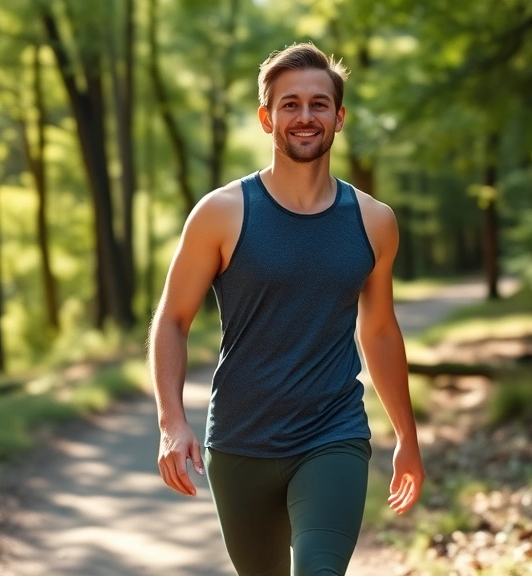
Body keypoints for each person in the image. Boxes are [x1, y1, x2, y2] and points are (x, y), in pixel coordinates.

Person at [150, 41, 425, 576]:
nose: (305, 116)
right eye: (290, 104)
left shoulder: (374, 221)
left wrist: (408, 441)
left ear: (339, 118)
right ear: (266, 117)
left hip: (333, 433)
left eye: (319, 104)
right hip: (241, 442)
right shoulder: (222, 213)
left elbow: (381, 333)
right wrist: (171, 421)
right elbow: (173, 319)